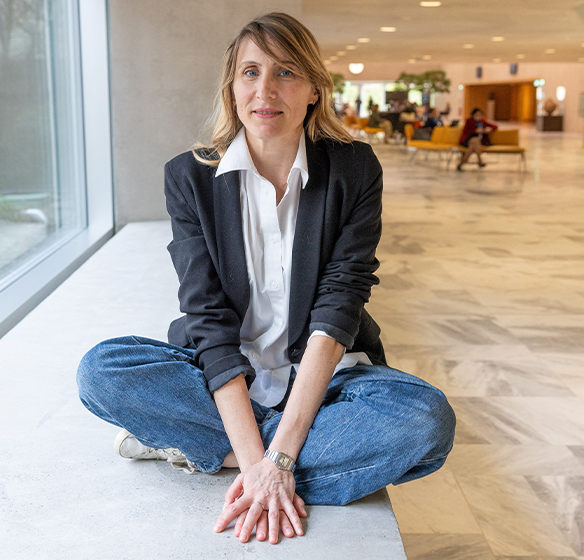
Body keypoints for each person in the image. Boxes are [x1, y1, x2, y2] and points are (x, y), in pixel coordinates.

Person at [77, 12, 455, 546]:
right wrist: (265, 463)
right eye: (250, 72)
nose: (265, 90)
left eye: (285, 73)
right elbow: (206, 319)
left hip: (325, 382)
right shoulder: (189, 177)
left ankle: (203, 450)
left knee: (426, 423)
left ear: (314, 91)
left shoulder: (354, 169)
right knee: (103, 369)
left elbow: (339, 303)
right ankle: (266, 465)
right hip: (227, 375)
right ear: (232, 89)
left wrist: (276, 456)